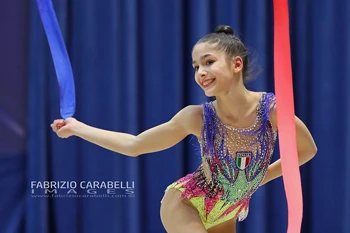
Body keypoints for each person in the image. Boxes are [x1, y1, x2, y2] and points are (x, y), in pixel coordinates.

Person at [51, 25, 317, 233]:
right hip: (187, 202)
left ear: (237, 64)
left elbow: (306, 150)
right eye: (196, 66)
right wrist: (77, 128)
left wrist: (256, 180)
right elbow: (135, 145)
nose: (201, 72)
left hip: (229, 209)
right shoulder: (197, 117)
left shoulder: (272, 110)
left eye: (209, 62)